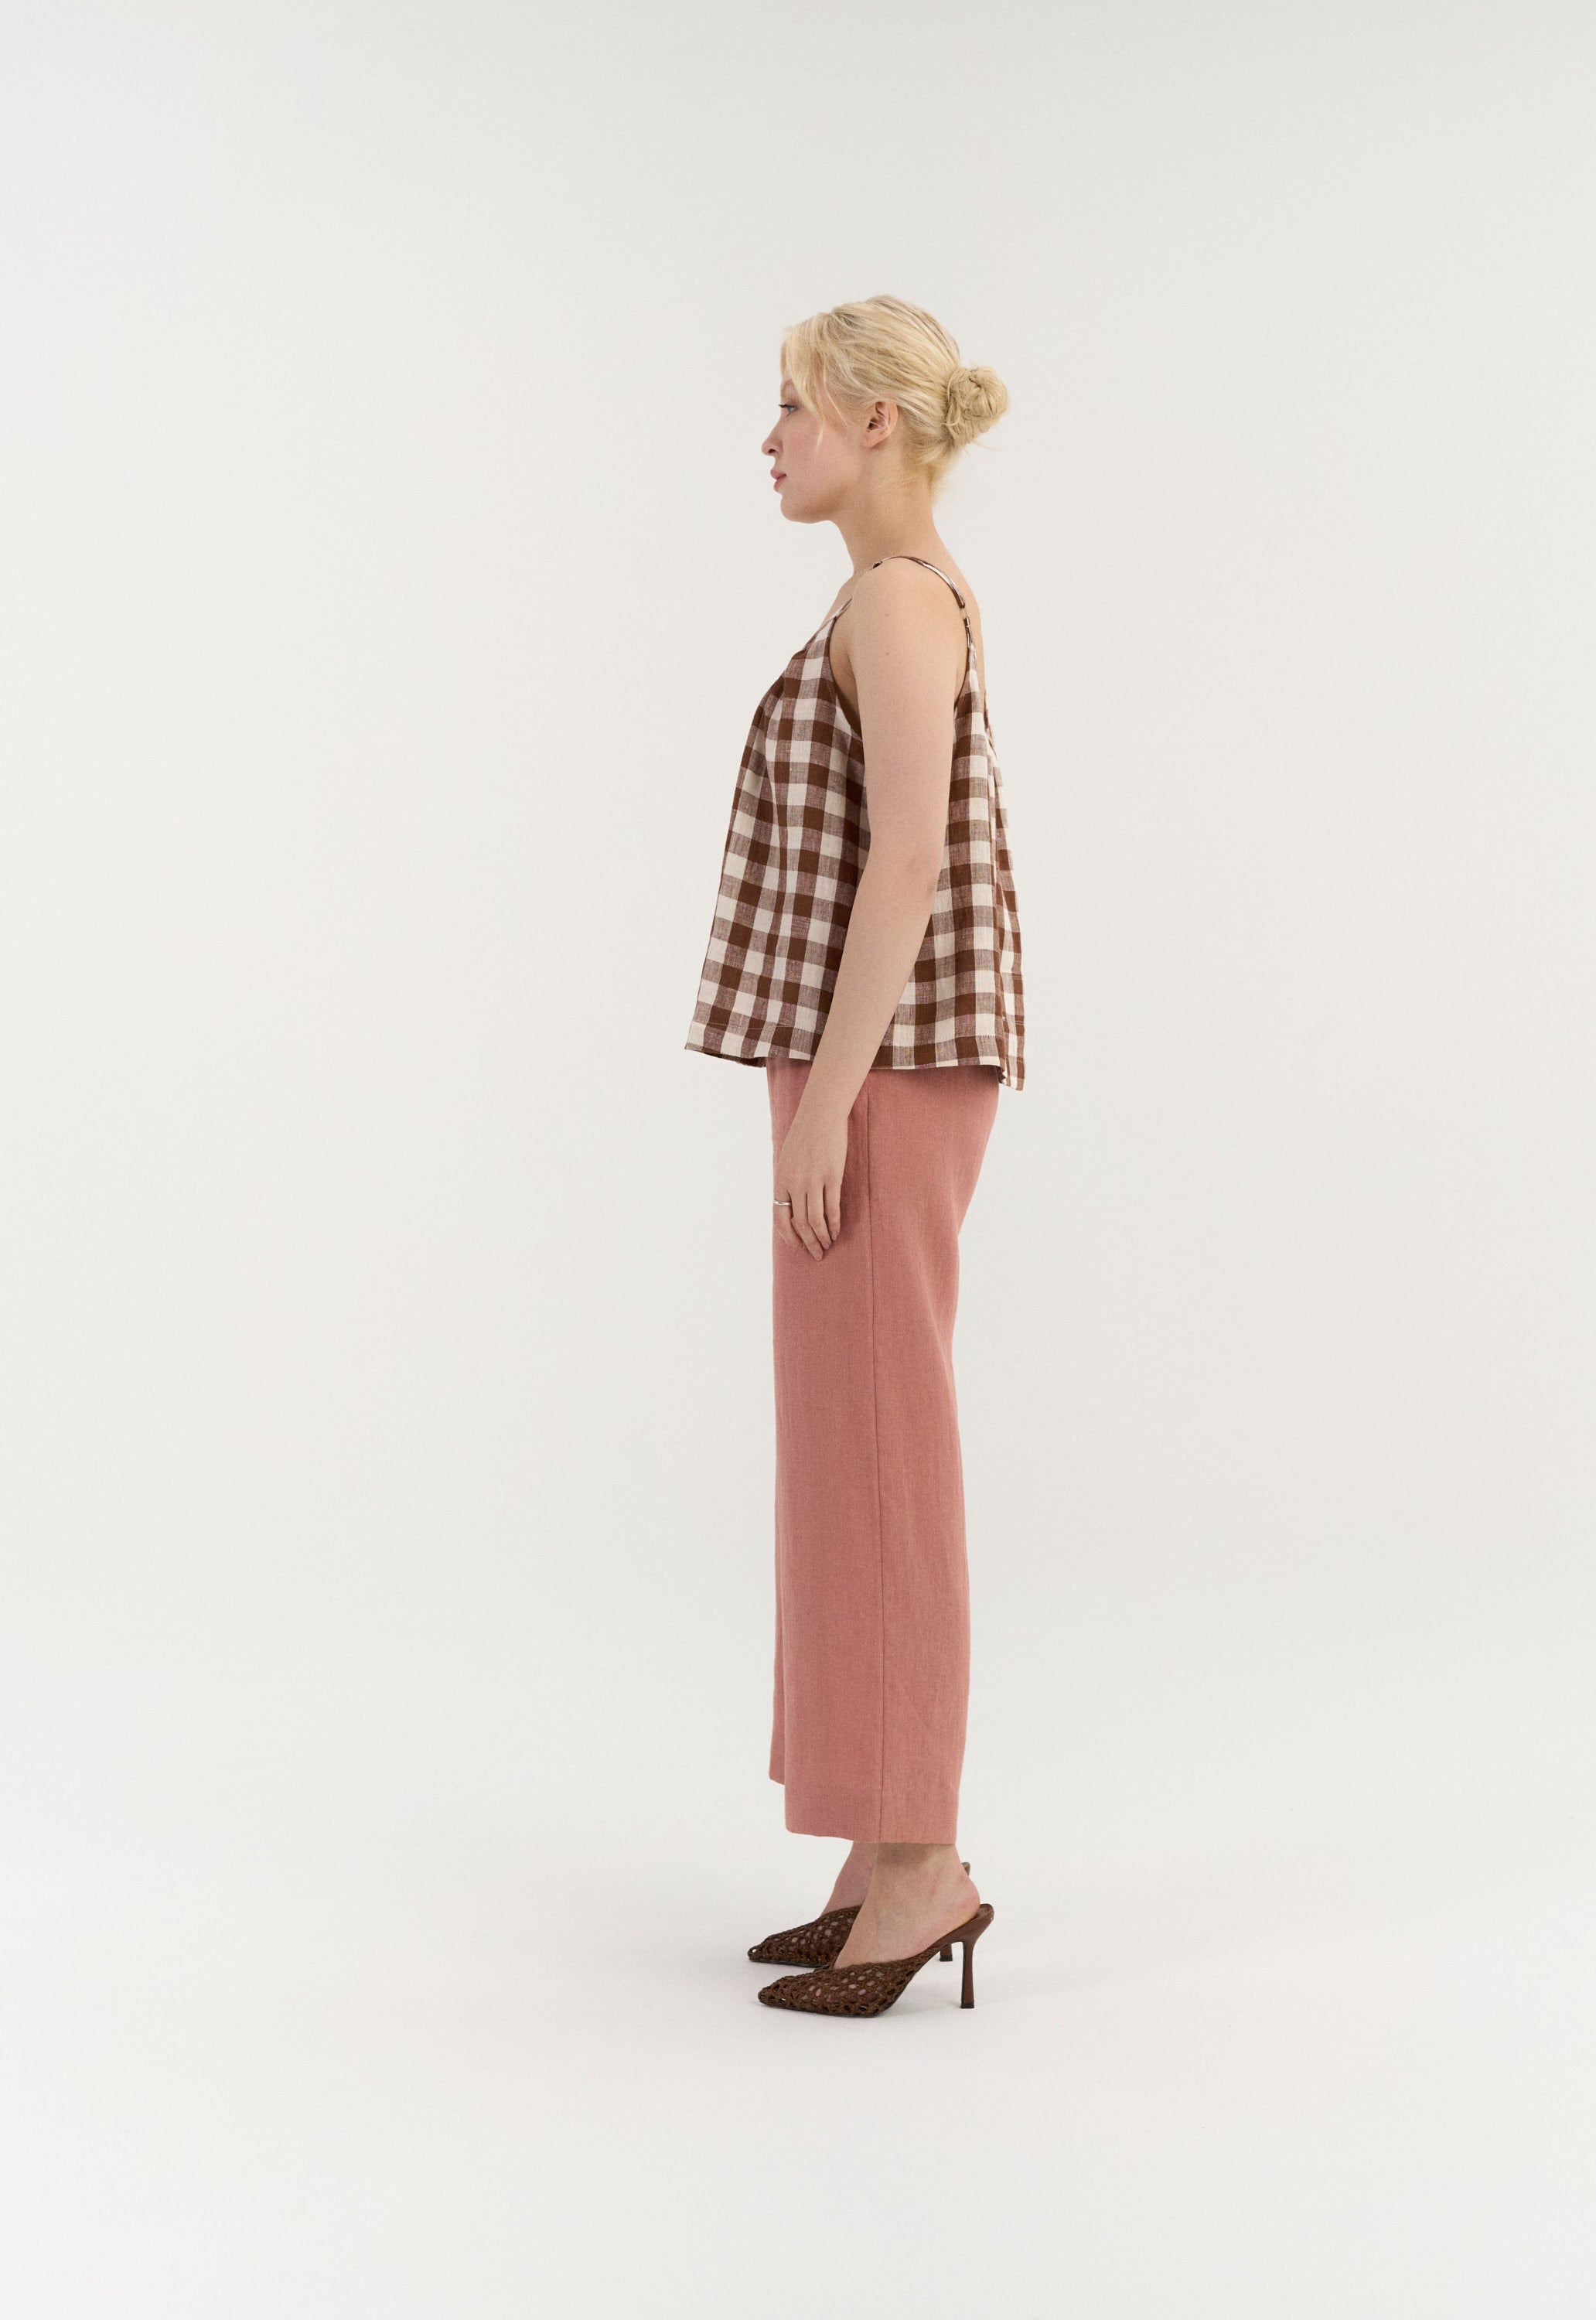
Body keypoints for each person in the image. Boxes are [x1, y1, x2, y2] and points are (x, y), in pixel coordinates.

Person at [685, 295, 1025, 2017]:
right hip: (862, 1066)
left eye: (795, 409)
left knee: (882, 1449)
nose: (770, 440)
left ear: (875, 421)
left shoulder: (898, 597)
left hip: (877, 1073)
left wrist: (826, 1101)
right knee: (848, 1449)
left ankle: (923, 1866)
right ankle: (874, 1843)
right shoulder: (885, 592)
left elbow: (904, 866)